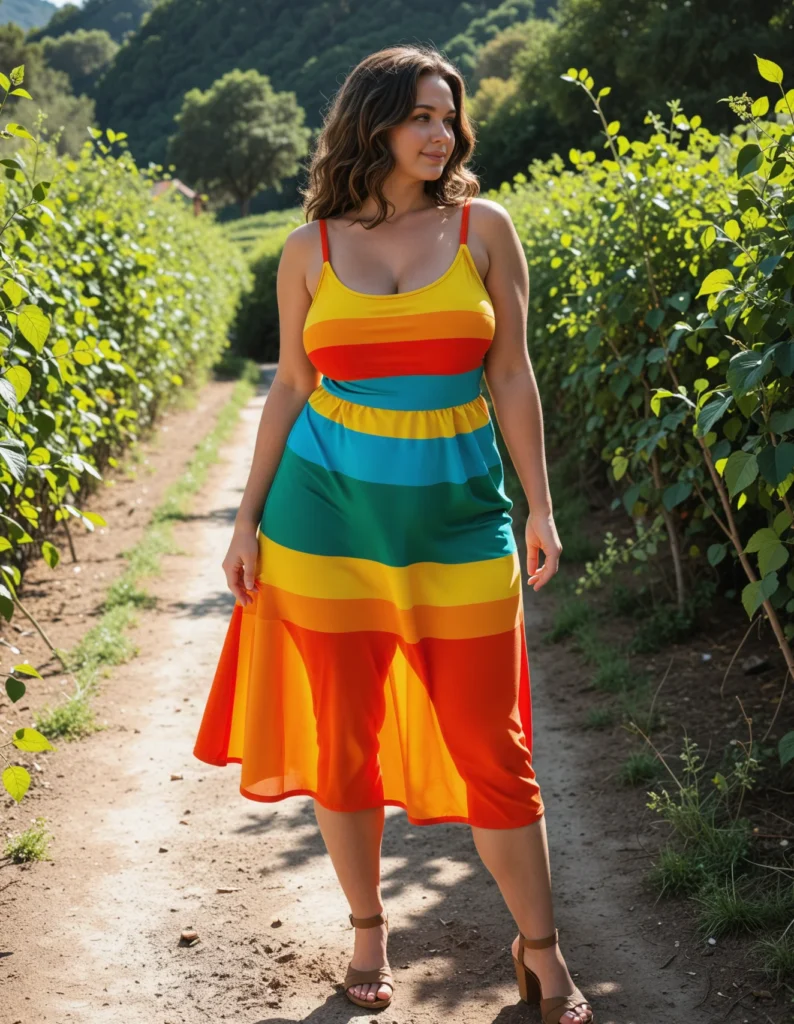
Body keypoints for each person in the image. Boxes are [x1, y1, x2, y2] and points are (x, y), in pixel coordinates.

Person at [193, 43, 594, 1024]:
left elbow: (509, 374)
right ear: (369, 122)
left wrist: (538, 505)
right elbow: (290, 385)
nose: (438, 132)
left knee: (491, 746)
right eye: (418, 114)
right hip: (320, 524)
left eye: (446, 117)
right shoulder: (308, 249)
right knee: (341, 741)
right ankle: (368, 927)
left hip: (458, 523)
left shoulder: (483, 231)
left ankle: (538, 948)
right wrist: (245, 518)